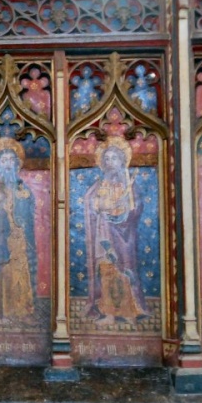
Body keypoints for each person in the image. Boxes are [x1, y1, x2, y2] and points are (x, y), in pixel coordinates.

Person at [83, 137, 147, 324]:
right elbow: (91, 202)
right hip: (104, 232)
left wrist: (123, 211)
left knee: (124, 269)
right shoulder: (101, 185)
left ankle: (130, 312)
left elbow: (136, 208)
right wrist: (99, 206)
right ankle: (109, 313)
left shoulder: (129, 185)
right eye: (107, 159)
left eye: (114, 159)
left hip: (124, 234)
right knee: (107, 268)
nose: (110, 163)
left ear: (122, 162)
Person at [0, 137, 37, 324]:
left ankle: (22, 310)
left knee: (21, 272)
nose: (8, 164)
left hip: (18, 237)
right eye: (4, 161)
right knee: (1, 271)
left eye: (11, 160)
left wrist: (22, 201)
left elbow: (29, 204)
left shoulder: (20, 185)